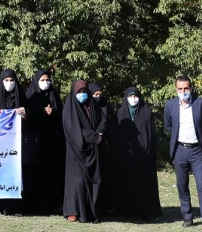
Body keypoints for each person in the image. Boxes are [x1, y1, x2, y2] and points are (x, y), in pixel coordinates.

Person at [164, 75, 202, 232]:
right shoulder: (170, 105)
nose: (183, 91)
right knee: (182, 185)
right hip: (179, 150)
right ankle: (187, 216)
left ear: (191, 88)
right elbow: (168, 126)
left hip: (198, 151)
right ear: (176, 89)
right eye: (180, 89)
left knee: (201, 185)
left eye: (186, 88)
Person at [113, 86, 162, 221]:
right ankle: (127, 210)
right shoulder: (121, 112)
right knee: (127, 182)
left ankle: (146, 211)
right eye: (130, 96)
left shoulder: (146, 113)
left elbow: (151, 134)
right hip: (126, 155)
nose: (133, 99)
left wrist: (147, 150)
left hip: (144, 155)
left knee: (144, 183)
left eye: (135, 96)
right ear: (126, 98)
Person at [0, 69, 28, 215]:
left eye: (12, 80)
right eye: (6, 80)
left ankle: (13, 207)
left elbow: (31, 120)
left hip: (15, 145)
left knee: (14, 174)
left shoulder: (21, 98)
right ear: (1, 81)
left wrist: (25, 115)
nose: (9, 83)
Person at [62, 80, 105, 223]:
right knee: (77, 181)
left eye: (84, 92)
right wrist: (94, 137)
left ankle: (90, 210)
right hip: (76, 150)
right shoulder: (69, 109)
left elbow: (102, 120)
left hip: (92, 150)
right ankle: (73, 211)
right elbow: (74, 129)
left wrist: (99, 134)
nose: (82, 95)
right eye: (79, 92)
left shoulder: (92, 106)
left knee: (93, 179)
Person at [24, 69, 65, 215]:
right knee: (34, 175)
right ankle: (34, 206)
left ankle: (54, 205)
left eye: (47, 80)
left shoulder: (54, 96)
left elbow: (62, 118)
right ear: (36, 81)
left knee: (52, 175)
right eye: (42, 80)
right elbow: (27, 118)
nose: (45, 83)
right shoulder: (30, 97)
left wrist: (53, 113)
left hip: (52, 145)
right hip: (35, 145)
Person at [88, 82, 113, 213]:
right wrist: (94, 136)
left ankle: (105, 205)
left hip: (104, 144)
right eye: (95, 94)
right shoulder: (87, 107)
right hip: (91, 144)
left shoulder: (106, 105)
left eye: (100, 95)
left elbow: (107, 120)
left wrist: (100, 132)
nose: (98, 97)